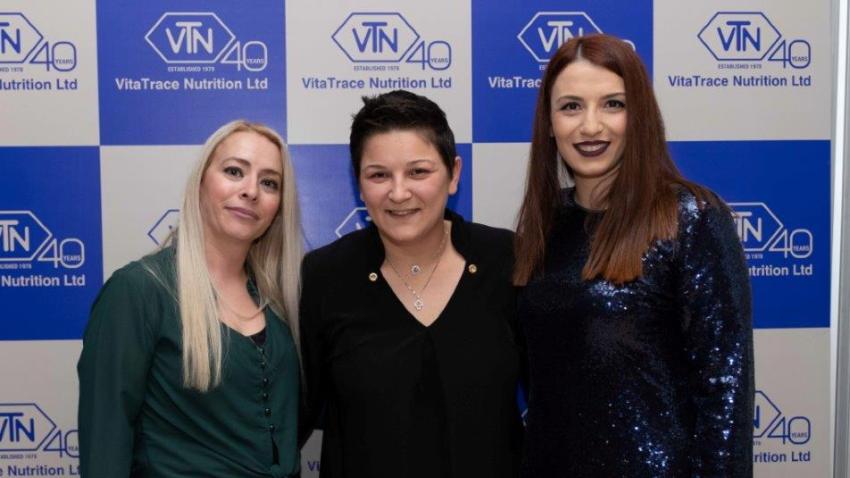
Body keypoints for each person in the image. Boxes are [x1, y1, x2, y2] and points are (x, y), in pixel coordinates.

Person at [514, 34, 754, 477]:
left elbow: (725, 391)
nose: (590, 126)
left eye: (613, 104)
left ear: (638, 115)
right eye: (571, 107)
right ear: (549, 123)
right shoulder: (544, 225)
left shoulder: (690, 219)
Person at [300, 90, 523, 478]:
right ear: (359, 184)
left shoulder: (507, 260)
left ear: (454, 174)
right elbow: (291, 416)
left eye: (418, 172)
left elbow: (557, 398)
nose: (399, 192)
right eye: (379, 175)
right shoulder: (325, 276)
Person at [77, 120, 303, 477]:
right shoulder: (139, 291)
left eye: (269, 182)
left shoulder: (279, 301)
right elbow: (105, 443)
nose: (251, 191)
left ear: (278, 207)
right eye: (234, 171)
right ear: (200, 183)